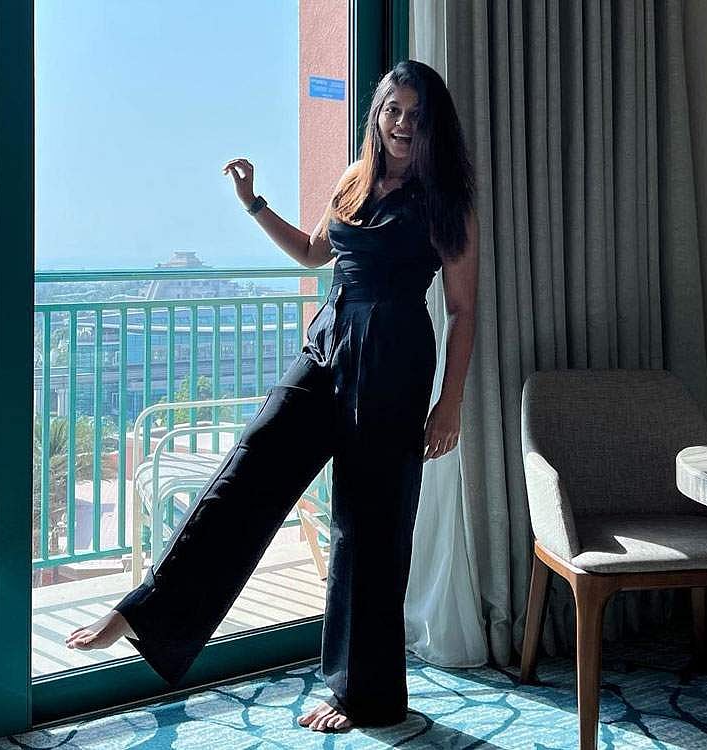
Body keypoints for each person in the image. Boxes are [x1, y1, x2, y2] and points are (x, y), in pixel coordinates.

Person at [67, 59, 478, 734]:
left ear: (434, 125)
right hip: (328, 344)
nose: (402, 124)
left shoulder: (446, 200)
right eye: (393, 110)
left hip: (396, 361)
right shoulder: (354, 178)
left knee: (369, 529)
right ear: (377, 115)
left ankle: (364, 696)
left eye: (416, 114)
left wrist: (449, 403)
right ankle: (148, 612)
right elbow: (314, 254)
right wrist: (254, 204)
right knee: (250, 466)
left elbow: (462, 309)